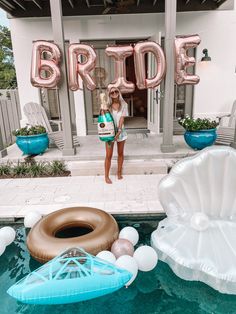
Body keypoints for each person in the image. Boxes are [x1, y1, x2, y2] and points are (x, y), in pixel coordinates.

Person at [104, 87, 129, 184]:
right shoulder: (107, 106)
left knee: (120, 153)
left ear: (119, 92)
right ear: (109, 95)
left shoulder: (124, 105)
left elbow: (122, 119)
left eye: (116, 91)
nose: (114, 93)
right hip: (109, 133)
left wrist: (118, 132)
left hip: (121, 132)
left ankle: (119, 172)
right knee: (108, 155)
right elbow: (105, 119)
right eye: (112, 92)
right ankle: (106, 176)